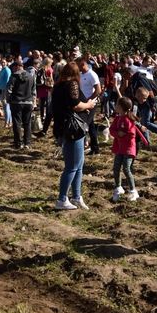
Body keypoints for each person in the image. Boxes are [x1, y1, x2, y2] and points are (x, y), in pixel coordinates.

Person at [51, 62, 97, 211]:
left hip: (62, 127)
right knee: (72, 167)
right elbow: (76, 105)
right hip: (73, 129)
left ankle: (76, 196)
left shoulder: (57, 86)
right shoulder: (71, 84)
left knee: (78, 165)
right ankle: (62, 199)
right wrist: (89, 104)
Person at [109, 96, 149, 203]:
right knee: (116, 168)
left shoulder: (128, 120)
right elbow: (111, 129)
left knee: (126, 169)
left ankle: (133, 191)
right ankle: (118, 188)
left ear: (121, 107)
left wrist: (122, 134)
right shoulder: (117, 118)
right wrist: (118, 134)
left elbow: (132, 134)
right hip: (119, 148)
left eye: (117, 105)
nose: (115, 106)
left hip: (128, 149)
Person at [6, 61, 37, 149]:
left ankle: (18, 143)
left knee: (17, 123)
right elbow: (34, 91)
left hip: (16, 102)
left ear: (17, 67)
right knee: (27, 123)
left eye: (13, 67)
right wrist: (33, 102)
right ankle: (27, 143)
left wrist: (9, 100)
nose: (12, 69)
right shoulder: (31, 76)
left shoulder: (14, 76)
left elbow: (9, 90)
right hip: (28, 102)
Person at [77, 56, 102, 155]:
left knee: (84, 125)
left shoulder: (92, 74)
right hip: (83, 103)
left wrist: (89, 100)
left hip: (91, 104)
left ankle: (82, 146)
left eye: (78, 65)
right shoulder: (80, 74)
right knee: (91, 126)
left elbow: (98, 90)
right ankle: (95, 148)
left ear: (83, 64)